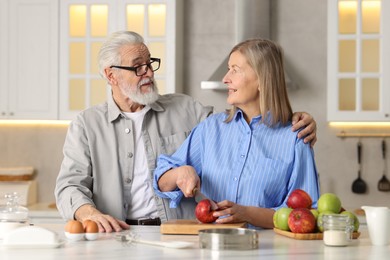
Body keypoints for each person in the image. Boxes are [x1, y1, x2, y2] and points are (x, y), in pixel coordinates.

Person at [55, 31, 317, 233]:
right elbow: (69, 185)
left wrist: (293, 120)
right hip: (115, 234)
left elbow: (240, 127)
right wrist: (87, 213)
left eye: (150, 63)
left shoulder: (187, 109)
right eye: (138, 66)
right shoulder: (87, 125)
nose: (148, 72)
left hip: (176, 236)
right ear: (111, 75)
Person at [153, 38, 320, 229]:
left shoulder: (295, 137)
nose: (225, 78)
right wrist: (179, 173)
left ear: (262, 79)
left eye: (235, 69)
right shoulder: (210, 129)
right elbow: (161, 182)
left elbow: (305, 214)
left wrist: (246, 214)